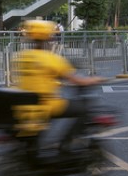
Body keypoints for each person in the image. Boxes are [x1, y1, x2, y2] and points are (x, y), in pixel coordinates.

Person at [13, 19, 101, 150]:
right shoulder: (51, 59)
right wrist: (94, 80)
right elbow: (76, 80)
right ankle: (67, 144)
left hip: (23, 107)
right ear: (48, 37)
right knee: (82, 109)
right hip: (46, 105)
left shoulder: (21, 56)